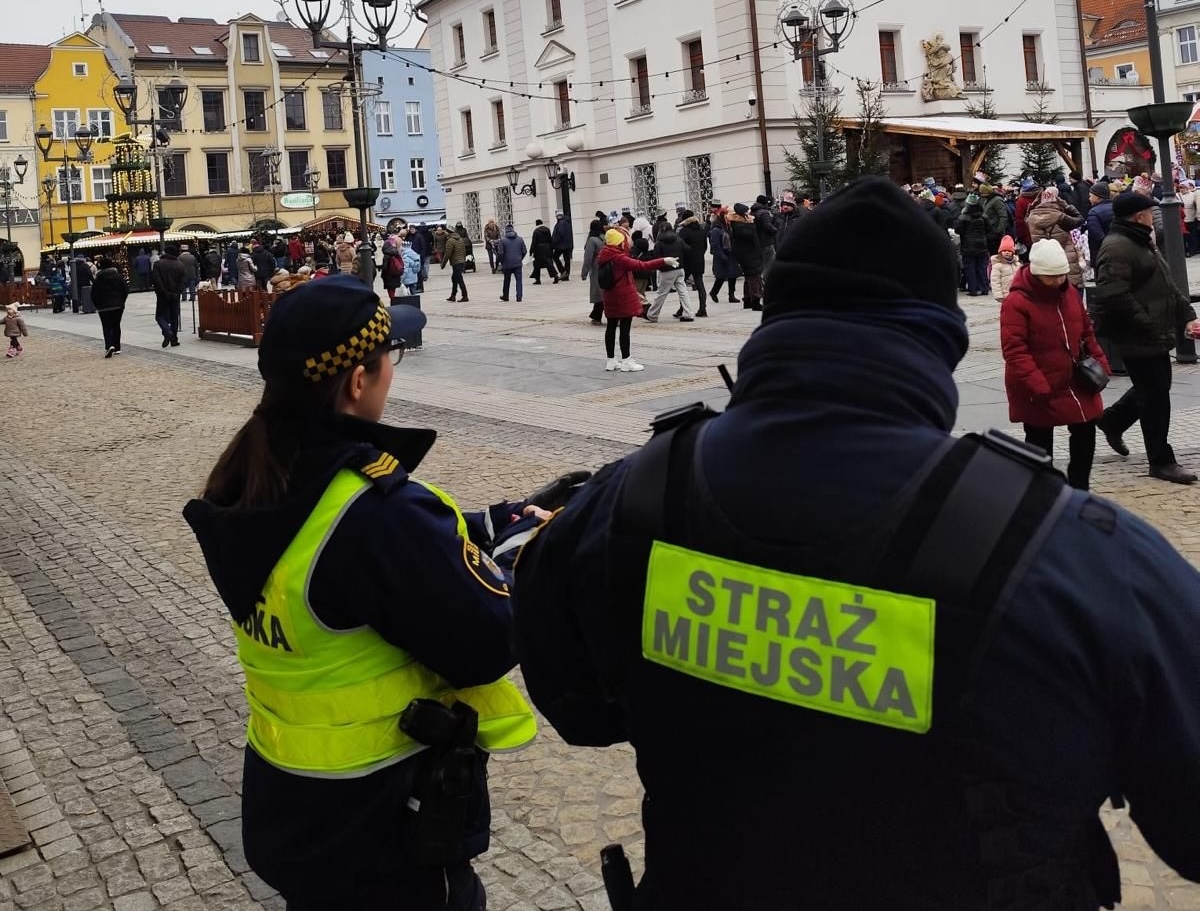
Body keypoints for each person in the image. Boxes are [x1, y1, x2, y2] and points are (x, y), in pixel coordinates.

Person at [513, 176, 1200, 911]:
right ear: (942, 339)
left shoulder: (631, 500)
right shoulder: (1073, 553)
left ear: (773, 317)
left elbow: (577, 710)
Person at [183, 276, 541, 910]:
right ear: (356, 380)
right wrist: (515, 556)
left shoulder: (249, 482)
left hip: (293, 805)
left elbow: (366, 572)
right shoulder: (370, 512)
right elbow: (489, 639)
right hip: (386, 828)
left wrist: (483, 526)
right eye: (388, 361)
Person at [1093, 191, 1200, 484]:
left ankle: (1113, 420)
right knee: (1155, 398)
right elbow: (1114, 296)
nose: (1153, 216)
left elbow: (1166, 284)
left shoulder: (1140, 241)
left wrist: (1187, 314)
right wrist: (1148, 325)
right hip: (1136, 335)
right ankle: (1161, 461)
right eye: (1149, 211)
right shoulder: (1117, 247)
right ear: (1138, 215)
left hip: (1150, 332)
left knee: (1152, 388)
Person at [1001, 239, 1108, 490]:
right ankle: (1043, 491)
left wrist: (1099, 360)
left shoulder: (1068, 292)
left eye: (1062, 274)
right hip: (1037, 382)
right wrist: (1037, 384)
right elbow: (1015, 350)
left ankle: (1079, 487)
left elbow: (1085, 330)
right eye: (1052, 276)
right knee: (1039, 440)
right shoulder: (1016, 303)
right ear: (1038, 273)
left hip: (1074, 377)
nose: (1059, 280)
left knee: (1086, 427)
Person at [596, 227, 675, 372]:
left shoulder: (604, 255)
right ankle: (626, 360)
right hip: (622, 298)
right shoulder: (619, 258)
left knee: (611, 327)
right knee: (624, 329)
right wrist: (664, 260)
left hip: (610, 296)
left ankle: (611, 360)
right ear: (619, 243)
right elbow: (642, 265)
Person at [1026, 187, 1084, 291]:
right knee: (1071, 291)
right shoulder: (1060, 216)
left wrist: (1032, 205)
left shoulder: (1031, 217)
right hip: (1064, 256)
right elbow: (1079, 219)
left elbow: (1025, 218)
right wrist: (1065, 205)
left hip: (1042, 258)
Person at [646, 221, 692, 322]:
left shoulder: (659, 242)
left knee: (661, 293)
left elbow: (657, 257)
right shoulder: (678, 239)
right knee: (683, 292)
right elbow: (687, 250)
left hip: (667, 270)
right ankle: (688, 313)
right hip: (680, 268)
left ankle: (652, 314)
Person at [91, 255, 129, 358]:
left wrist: (97, 305)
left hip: (103, 307)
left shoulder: (98, 279)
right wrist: (122, 302)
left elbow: (93, 294)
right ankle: (117, 347)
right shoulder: (118, 276)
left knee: (106, 326)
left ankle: (109, 345)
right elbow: (125, 290)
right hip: (117, 305)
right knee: (116, 325)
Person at [728, 203, 763, 311]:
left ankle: (747, 300)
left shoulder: (738, 224)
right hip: (748, 254)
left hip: (748, 254)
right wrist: (752, 224)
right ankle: (755, 301)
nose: (748, 214)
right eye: (746, 212)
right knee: (754, 277)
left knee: (749, 278)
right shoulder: (739, 225)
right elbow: (750, 236)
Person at [152, 243, 187, 348]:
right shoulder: (180, 265)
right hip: (175, 295)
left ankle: (167, 332)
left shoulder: (158, 264)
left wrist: (164, 292)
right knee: (174, 317)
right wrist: (178, 292)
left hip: (163, 295)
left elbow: (156, 280)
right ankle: (174, 339)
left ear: (166, 252)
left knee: (160, 316)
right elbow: (183, 281)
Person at [955, 192, 990, 296]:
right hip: (982, 244)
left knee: (970, 268)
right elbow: (989, 229)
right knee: (982, 267)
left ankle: (973, 290)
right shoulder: (984, 216)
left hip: (968, 245)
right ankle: (984, 288)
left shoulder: (963, 217)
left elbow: (958, 230)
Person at [676, 210, 709, 318]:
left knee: (682, 285)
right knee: (700, 284)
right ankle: (703, 309)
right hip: (699, 260)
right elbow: (705, 246)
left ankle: (682, 309)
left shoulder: (684, 231)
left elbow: (680, 247)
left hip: (687, 261)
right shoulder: (702, 230)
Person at [708, 210, 739, 304]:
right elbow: (715, 245)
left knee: (733, 275)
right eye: (726, 217)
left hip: (731, 254)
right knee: (721, 277)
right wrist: (722, 256)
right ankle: (714, 292)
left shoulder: (728, 227)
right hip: (721, 256)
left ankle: (731, 295)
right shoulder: (716, 230)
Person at [580, 219, 605, 325]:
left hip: (596, 268)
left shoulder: (592, 240)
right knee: (602, 292)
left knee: (599, 293)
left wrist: (584, 272)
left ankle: (597, 316)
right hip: (606, 267)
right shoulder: (604, 238)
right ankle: (596, 315)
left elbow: (588, 257)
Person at [497, 224, 527, 303]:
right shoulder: (520, 239)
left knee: (506, 280)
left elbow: (500, 253)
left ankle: (505, 296)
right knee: (519, 280)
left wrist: (501, 261)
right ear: (513, 230)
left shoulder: (502, 240)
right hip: (517, 263)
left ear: (505, 231)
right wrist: (520, 258)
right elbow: (524, 251)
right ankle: (519, 297)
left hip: (507, 264)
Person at [990, 235, 1020, 302]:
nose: (1007, 252)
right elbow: (995, 281)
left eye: (1009, 251)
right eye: (1004, 250)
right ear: (1000, 252)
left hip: (1017, 294)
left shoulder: (1017, 265)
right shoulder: (997, 266)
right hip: (1004, 295)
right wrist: (998, 295)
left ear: (1013, 253)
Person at [441, 226, 468, 302]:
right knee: (454, 279)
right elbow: (464, 251)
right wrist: (463, 260)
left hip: (456, 263)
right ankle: (453, 295)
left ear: (448, 232)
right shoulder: (460, 239)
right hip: (460, 262)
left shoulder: (450, 241)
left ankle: (465, 296)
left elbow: (447, 254)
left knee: (459, 279)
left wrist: (443, 264)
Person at [530, 219, 558, 285]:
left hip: (539, 249)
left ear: (536, 224)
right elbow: (550, 239)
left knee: (536, 265)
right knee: (549, 264)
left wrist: (531, 251)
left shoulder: (536, 231)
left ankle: (538, 280)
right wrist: (552, 248)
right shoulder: (547, 229)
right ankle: (555, 276)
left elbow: (534, 242)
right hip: (548, 248)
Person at [551, 211, 573, 279]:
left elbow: (559, 233)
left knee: (555, 257)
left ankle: (563, 271)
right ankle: (566, 275)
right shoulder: (567, 222)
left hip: (561, 245)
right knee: (567, 259)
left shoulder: (561, 223)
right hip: (568, 244)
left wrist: (554, 243)